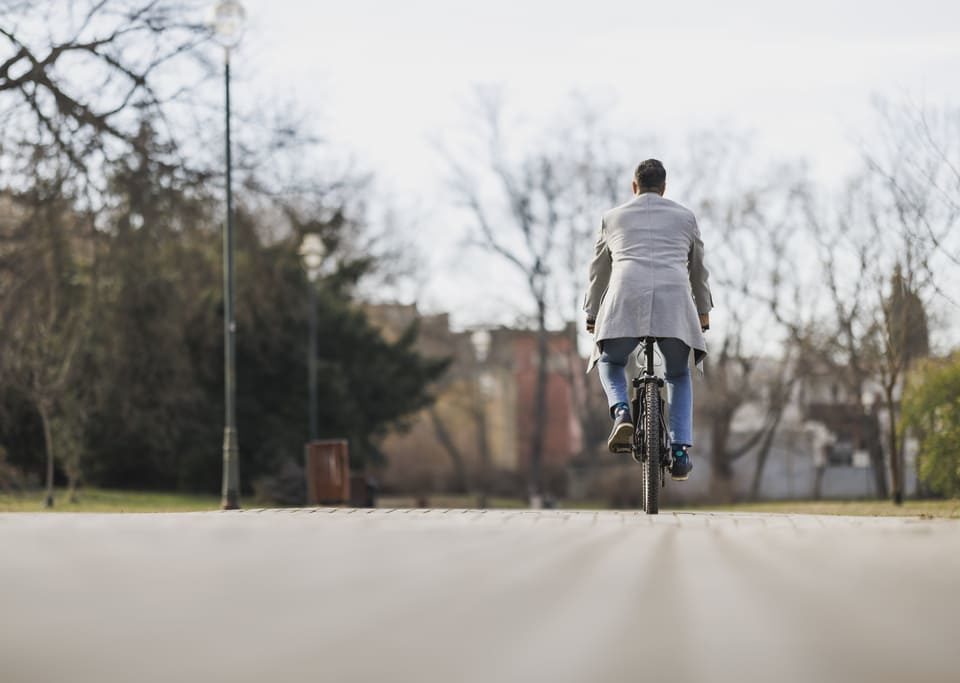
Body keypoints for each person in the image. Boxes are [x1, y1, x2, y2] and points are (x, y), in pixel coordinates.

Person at [583, 159, 712, 481]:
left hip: (624, 300)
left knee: (611, 362)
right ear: (664, 188)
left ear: (634, 186)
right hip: (675, 303)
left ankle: (622, 411)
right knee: (678, 374)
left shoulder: (612, 218)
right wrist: (703, 313)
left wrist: (592, 313)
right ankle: (680, 453)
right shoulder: (685, 217)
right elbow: (697, 269)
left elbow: (599, 271)